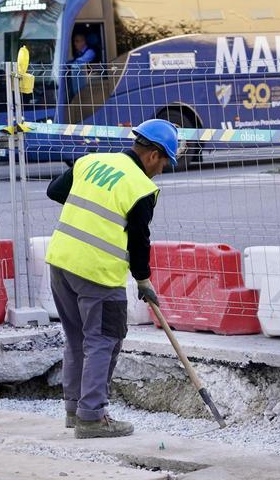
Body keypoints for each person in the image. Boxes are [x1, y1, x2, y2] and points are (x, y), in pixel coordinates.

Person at [44, 119, 179, 439]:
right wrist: (144, 281)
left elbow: (55, 191)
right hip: (98, 273)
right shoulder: (141, 187)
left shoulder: (91, 162)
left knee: (77, 339)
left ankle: (74, 410)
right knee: (104, 340)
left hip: (61, 263)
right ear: (153, 155)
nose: (162, 170)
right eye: (164, 162)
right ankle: (92, 417)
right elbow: (138, 241)